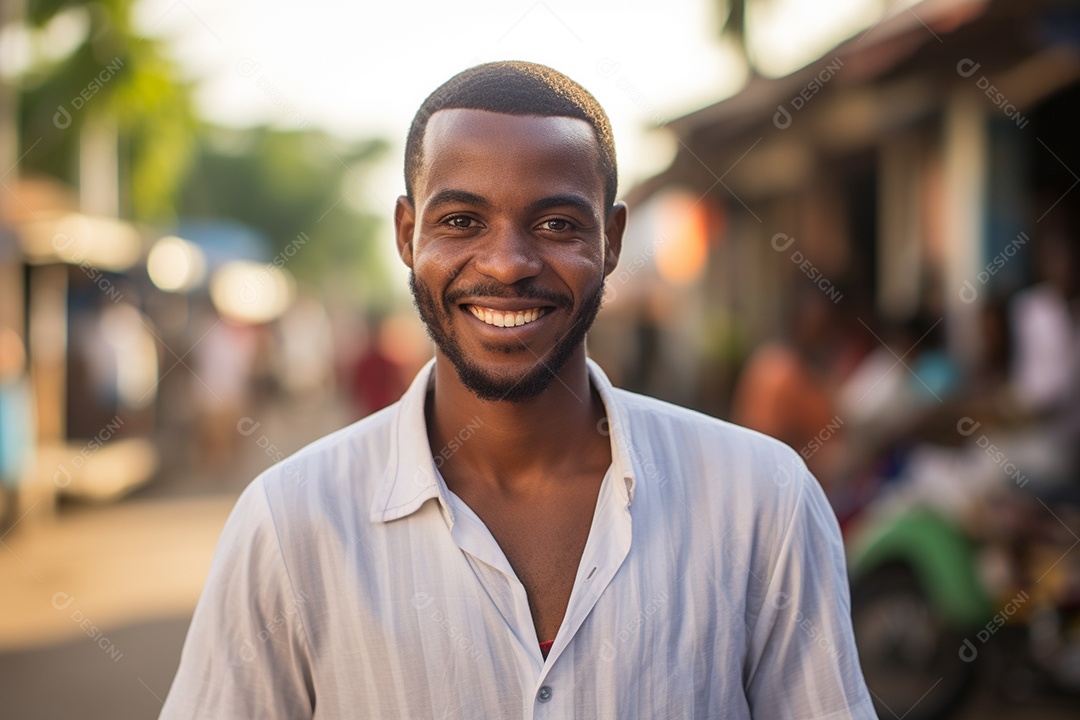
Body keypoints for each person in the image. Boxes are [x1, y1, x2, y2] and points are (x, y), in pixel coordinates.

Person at [160, 61, 874, 719]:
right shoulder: (289, 527)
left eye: (557, 223)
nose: (506, 264)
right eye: (461, 221)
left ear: (613, 239)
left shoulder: (763, 504)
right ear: (407, 234)